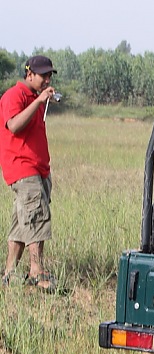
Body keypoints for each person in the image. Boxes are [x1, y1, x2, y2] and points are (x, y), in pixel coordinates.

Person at [0, 55, 59, 293]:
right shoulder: (14, 96)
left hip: (37, 169)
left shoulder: (34, 97)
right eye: (43, 75)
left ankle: (9, 274)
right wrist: (38, 102)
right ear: (29, 74)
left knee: (21, 225)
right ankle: (37, 272)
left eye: (49, 76)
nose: (46, 80)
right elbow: (13, 125)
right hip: (23, 168)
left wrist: (42, 100)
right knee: (36, 217)